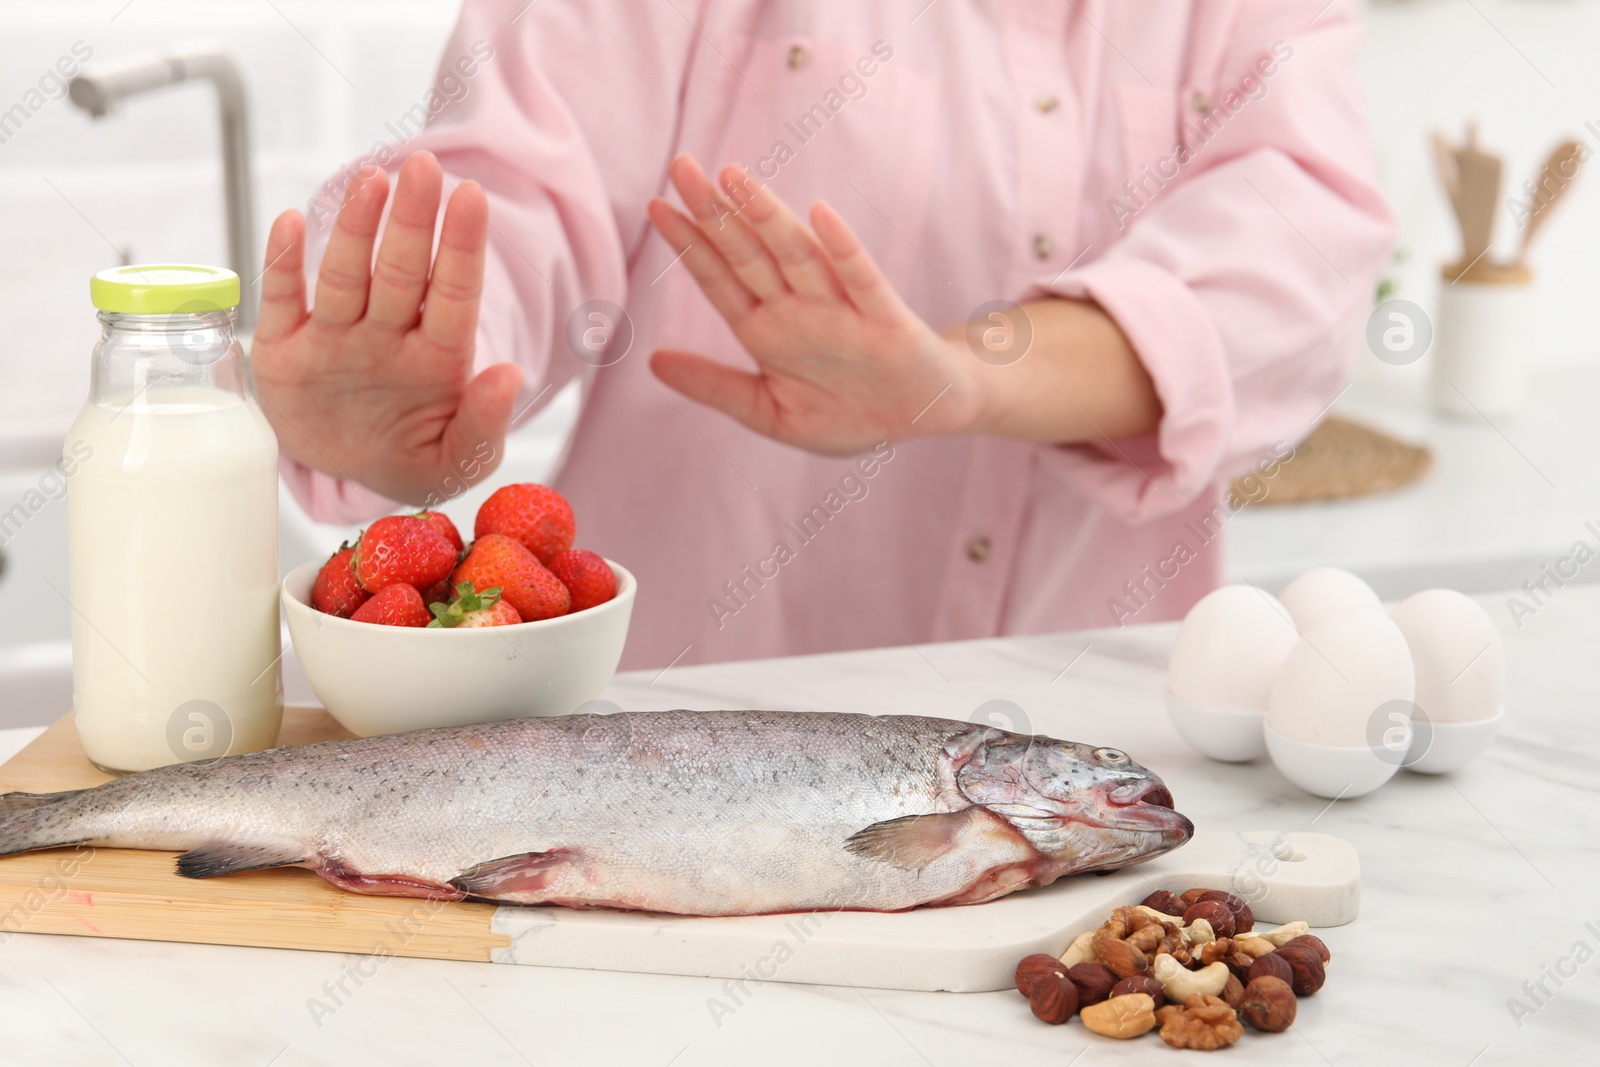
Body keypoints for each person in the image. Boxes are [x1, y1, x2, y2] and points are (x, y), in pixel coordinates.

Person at [253, 0, 1393, 670]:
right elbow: (519, 188)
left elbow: (1305, 237)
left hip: (1094, 721)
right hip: (695, 723)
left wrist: (971, 378)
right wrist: (423, 377)